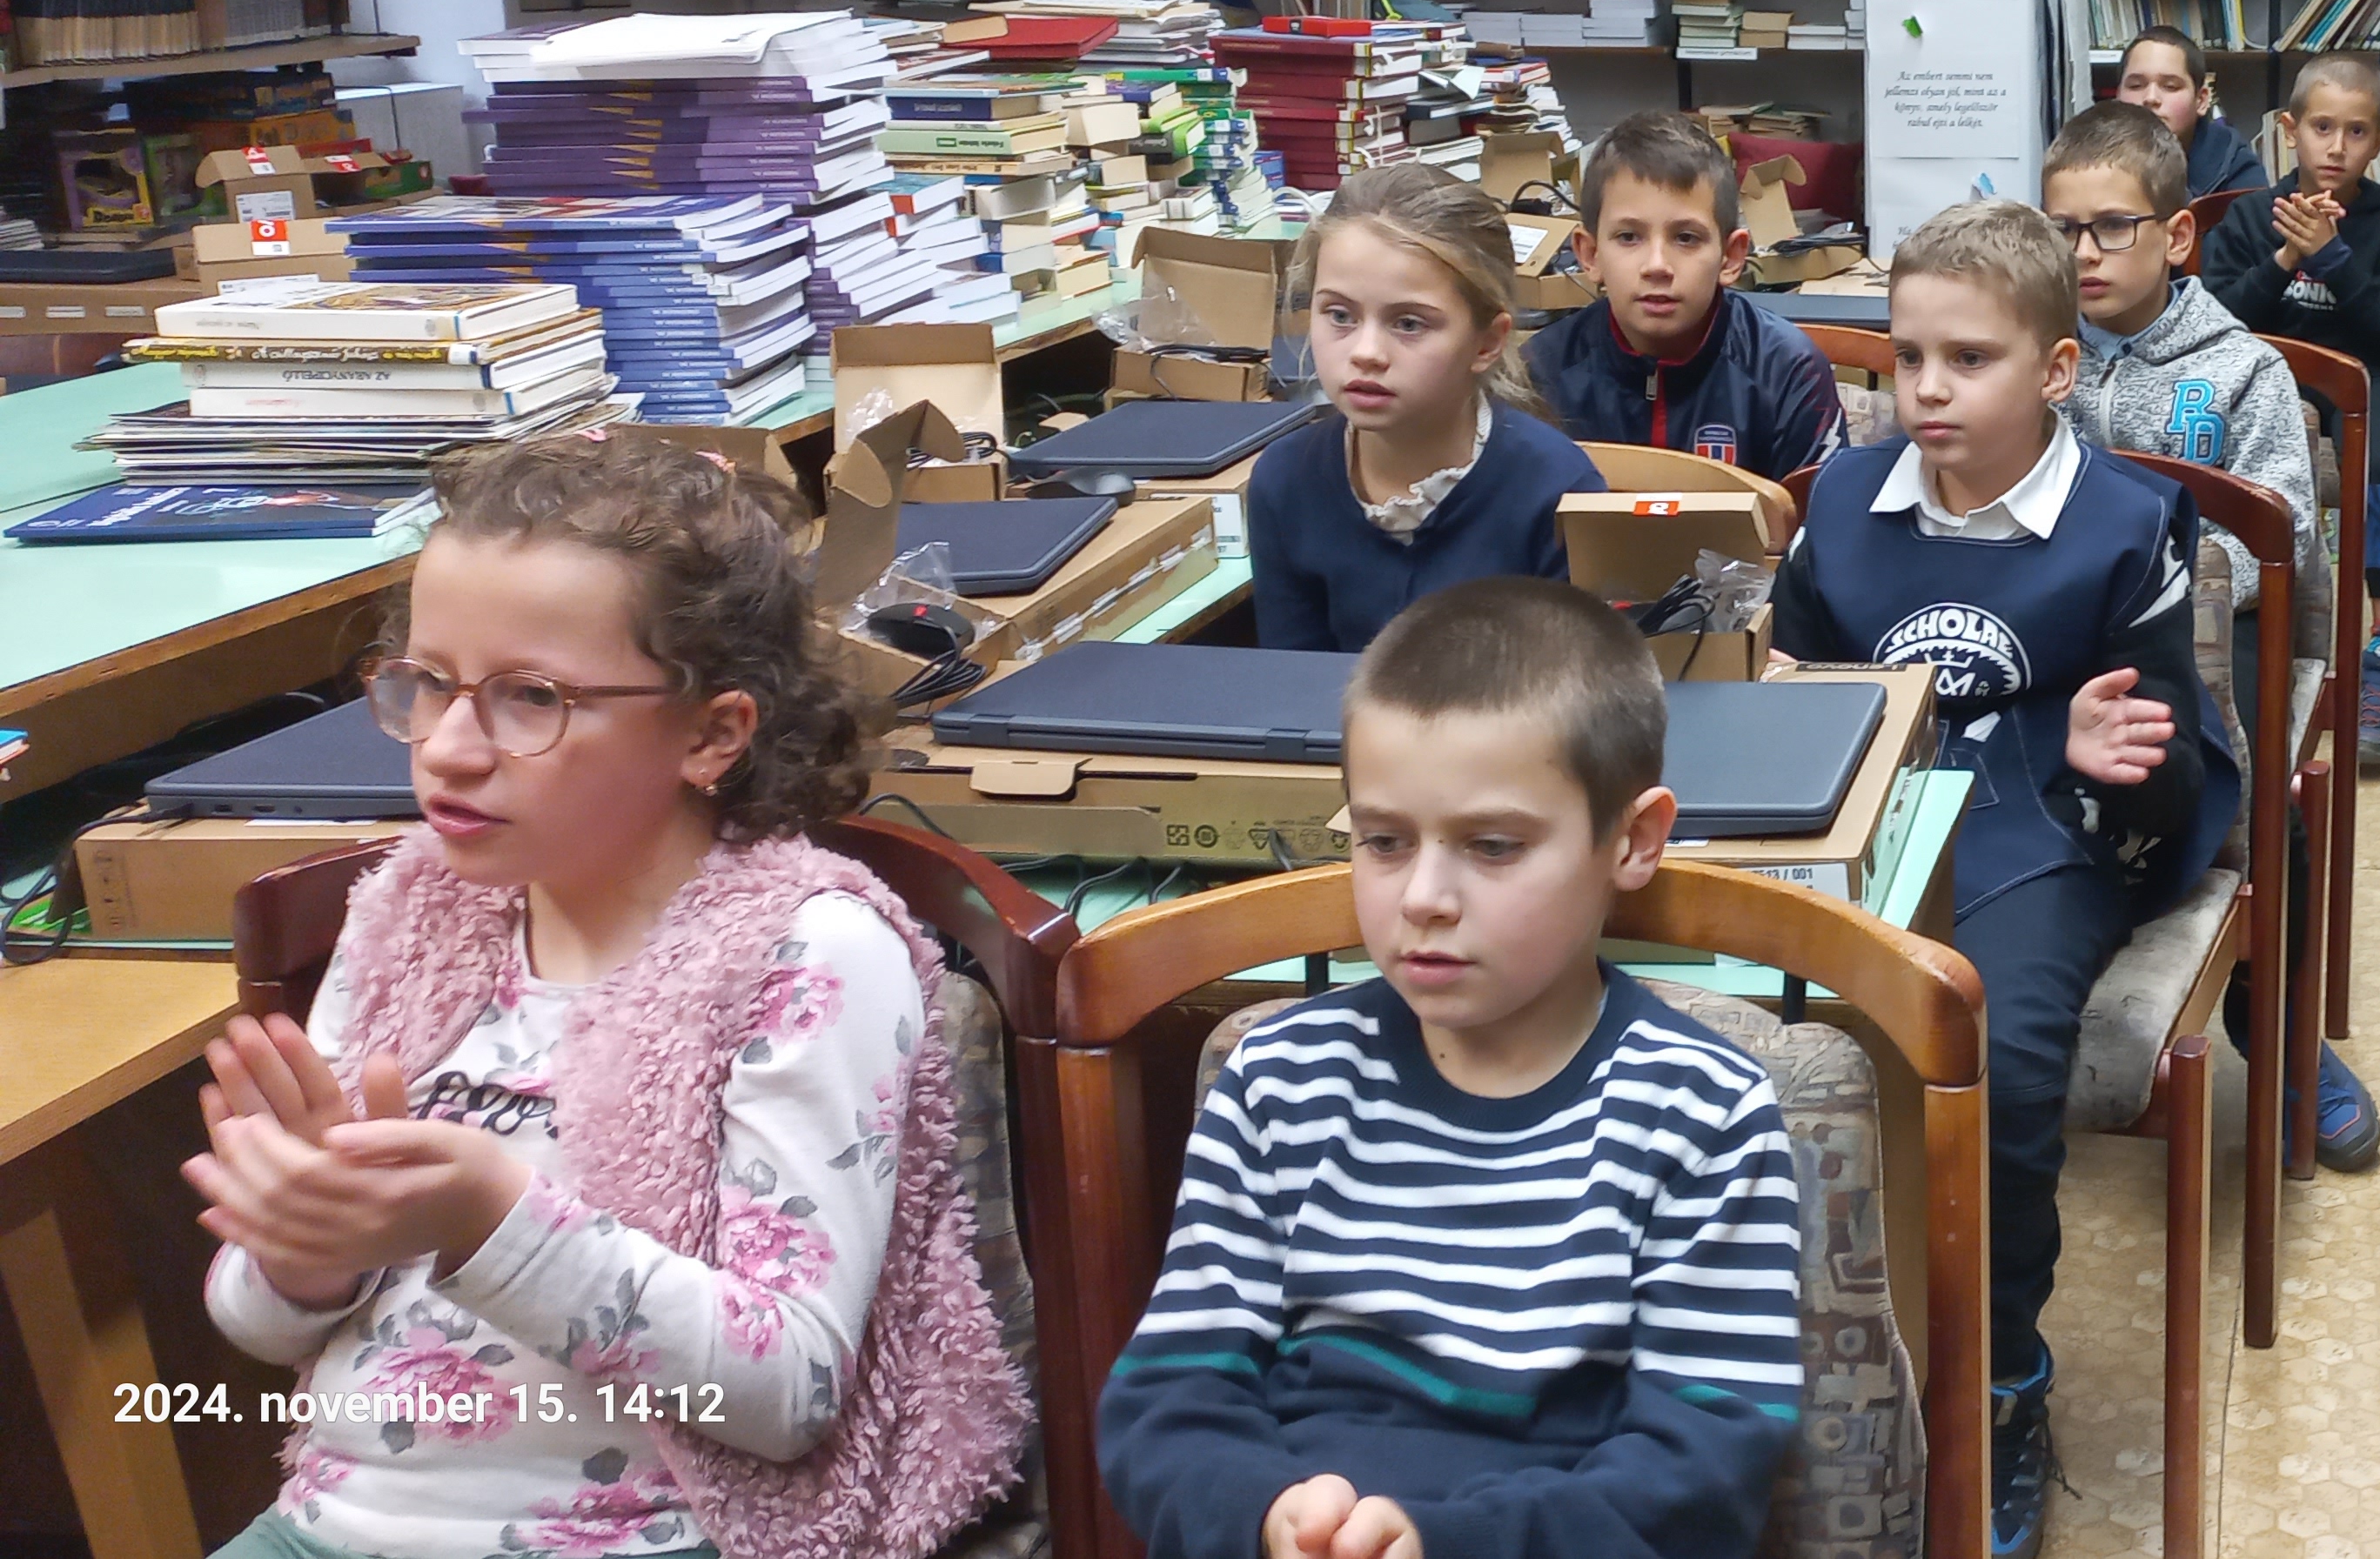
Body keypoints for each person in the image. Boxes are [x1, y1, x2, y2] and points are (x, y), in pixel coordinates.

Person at [186, 433, 1020, 1559]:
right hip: (326, 1528)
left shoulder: (803, 955)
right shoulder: (409, 917)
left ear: (712, 732)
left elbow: (789, 1390)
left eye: (531, 697)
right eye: (427, 684)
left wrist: (493, 1219)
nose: (449, 747)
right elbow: (254, 1322)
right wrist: (300, 1252)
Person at [1096, 578, 1805, 1559]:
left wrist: (1446, 1541)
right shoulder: (1276, 1082)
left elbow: (1705, 1470)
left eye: (1493, 846)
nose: (1424, 896)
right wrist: (1263, 1514)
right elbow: (1168, 1395)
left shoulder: (1702, 1110)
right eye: (1383, 841)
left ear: (1634, 840)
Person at [1768, 198, 2236, 1559]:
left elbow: (2173, 778)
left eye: (1968, 359)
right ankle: (1789, 1346)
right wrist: (1782, 685)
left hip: (2046, 834)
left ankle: (2007, 1378)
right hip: (1862, 820)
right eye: (1908, 356)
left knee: (2005, 1056)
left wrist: (2089, 752)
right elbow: (1799, 681)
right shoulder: (1842, 501)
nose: (1927, 388)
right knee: (1748, 1028)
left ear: (2056, 369)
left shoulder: (2128, 522)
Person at [2042, 98, 2380, 1174]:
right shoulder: (2030, 356)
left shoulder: (2243, 369)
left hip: (2207, 628)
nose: (2084, 252)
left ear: (2178, 235)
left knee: (2251, 789)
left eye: (2112, 226)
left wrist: (2152, 589)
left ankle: (2278, 1033)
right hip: (2059, 628)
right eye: (2062, 228)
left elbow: (2280, 533)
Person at [1250, 164, 1606, 652]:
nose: (1366, 353)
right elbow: (1290, 682)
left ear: (1487, 342)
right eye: (1340, 315)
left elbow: (1574, 690)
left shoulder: (1556, 491)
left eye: (1409, 324)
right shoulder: (1285, 481)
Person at [2202, 54, 2380, 769]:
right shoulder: (2251, 217)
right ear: (2289, 129)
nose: (2337, 147)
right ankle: (2250, 632)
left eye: (2357, 132)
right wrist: (2285, 259)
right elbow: (2217, 322)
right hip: (2271, 377)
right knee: (2240, 466)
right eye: (2322, 127)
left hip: (2372, 377)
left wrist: (2333, 258)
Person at [1520, 110, 1844, 478]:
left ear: (1731, 257)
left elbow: (1818, 512)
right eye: (1629, 237)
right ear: (1591, 254)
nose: (1657, 266)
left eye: (1686, 238)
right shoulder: (1539, 373)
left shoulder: (1788, 371)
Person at [2113, 25, 2269, 201]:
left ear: (2201, 101)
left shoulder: (2234, 164)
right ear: (2117, 96)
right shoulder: (2092, 160)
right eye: (2136, 86)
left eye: (2170, 87)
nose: (2150, 98)